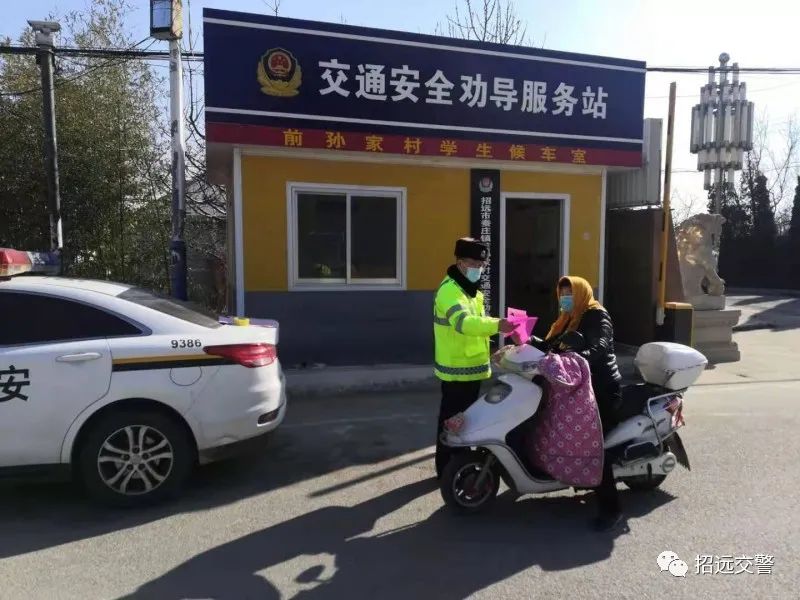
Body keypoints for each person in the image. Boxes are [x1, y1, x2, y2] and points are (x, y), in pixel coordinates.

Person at [540, 275, 624, 532]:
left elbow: (599, 347)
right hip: (578, 387)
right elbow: (553, 344)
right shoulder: (567, 318)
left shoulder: (597, 315)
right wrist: (531, 346)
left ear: (580, 293)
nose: (565, 298)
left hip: (602, 388)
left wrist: (576, 357)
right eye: (562, 294)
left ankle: (612, 510)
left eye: (570, 293)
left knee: (594, 445)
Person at [433, 237, 515, 479]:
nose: (478, 269)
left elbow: (477, 328)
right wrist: (497, 325)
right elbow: (464, 323)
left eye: (481, 265)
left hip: (472, 368)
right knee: (451, 423)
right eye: (473, 264)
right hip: (456, 370)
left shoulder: (471, 292)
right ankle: (447, 470)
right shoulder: (449, 291)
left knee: (465, 423)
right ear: (460, 263)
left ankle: (459, 465)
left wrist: (493, 349)